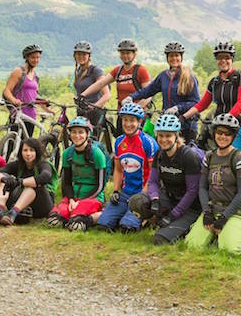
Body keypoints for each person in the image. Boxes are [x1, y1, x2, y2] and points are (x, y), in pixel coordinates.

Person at [128, 113, 203, 245]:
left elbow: (192, 191)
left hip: (190, 207)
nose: (164, 140)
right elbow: (153, 181)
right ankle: (160, 221)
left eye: (168, 136)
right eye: (161, 135)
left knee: (160, 240)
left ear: (176, 136)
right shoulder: (160, 153)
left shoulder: (188, 156)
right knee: (137, 202)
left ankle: (185, 225)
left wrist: (174, 214)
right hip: (170, 199)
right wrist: (155, 199)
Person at [184, 113, 241, 255]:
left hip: (233, 212)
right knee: (192, 245)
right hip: (213, 209)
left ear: (233, 136)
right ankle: (218, 234)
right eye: (219, 132)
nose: (222, 136)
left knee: (230, 250)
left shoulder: (240, 158)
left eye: (227, 134)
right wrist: (207, 212)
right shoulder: (209, 156)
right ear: (214, 133)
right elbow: (202, 187)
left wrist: (224, 217)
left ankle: (238, 236)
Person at [94, 102, 159, 233]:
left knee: (127, 228)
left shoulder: (148, 142)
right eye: (125, 120)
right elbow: (118, 170)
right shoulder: (119, 142)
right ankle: (125, 214)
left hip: (142, 193)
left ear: (140, 121)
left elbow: (154, 174)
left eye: (132, 120)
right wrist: (116, 191)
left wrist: (141, 197)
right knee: (103, 225)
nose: (128, 124)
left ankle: (146, 218)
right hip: (125, 193)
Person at [181, 41, 241, 152]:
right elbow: (202, 104)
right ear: (216, 60)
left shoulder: (240, 76)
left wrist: (227, 118)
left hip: (239, 126)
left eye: (227, 57)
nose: (223, 60)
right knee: (216, 162)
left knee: (235, 160)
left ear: (231, 59)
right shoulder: (214, 82)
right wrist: (184, 117)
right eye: (220, 57)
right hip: (220, 129)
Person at [129, 42, 200, 143]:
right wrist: (132, 97)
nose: (174, 58)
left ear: (181, 57)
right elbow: (148, 90)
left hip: (186, 125)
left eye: (177, 55)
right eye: (171, 55)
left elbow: (196, 102)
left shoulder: (189, 76)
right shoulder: (163, 76)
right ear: (167, 58)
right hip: (167, 125)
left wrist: (177, 108)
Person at [46, 116, 107, 231]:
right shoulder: (67, 154)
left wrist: (81, 202)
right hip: (73, 196)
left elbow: (100, 186)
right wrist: (71, 200)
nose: (77, 136)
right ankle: (73, 215)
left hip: (93, 196)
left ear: (87, 134)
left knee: (76, 225)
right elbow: (67, 182)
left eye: (81, 132)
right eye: (74, 132)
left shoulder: (97, 154)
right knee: (54, 221)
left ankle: (92, 216)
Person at [80, 38, 152, 133]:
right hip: (122, 115)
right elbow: (101, 83)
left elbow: (149, 94)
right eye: (122, 53)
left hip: (138, 117)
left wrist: (136, 107)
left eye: (128, 53)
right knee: (121, 143)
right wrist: (83, 95)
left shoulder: (141, 70)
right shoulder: (118, 71)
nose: (125, 56)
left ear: (134, 54)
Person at [0, 137, 55, 226]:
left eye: (31, 150)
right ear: (21, 152)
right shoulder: (18, 164)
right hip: (20, 201)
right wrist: (4, 179)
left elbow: (45, 176)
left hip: (42, 204)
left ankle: (13, 213)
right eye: (25, 150)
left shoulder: (44, 164)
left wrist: (20, 182)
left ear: (37, 152)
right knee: (3, 178)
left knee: (33, 185)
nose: (28, 154)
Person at [3, 44, 45, 137]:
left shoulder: (35, 75)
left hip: (31, 115)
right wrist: (14, 100)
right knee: (13, 144)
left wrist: (47, 108)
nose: (36, 60)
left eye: (38, 57)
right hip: (18, 114)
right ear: (26, 58)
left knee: (26, 146)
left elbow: (34, 96)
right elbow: (7, 90)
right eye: (33, 57)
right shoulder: (19, 72)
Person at [71, 41, 110, 133]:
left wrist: (94, 107)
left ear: (89, 56)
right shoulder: (79, 70)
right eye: (78, 54)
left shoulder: (96, 71)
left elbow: (107, 95)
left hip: (95, 113)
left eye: (84, 54)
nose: (81, 57)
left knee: (93, 141)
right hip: (81, 111)